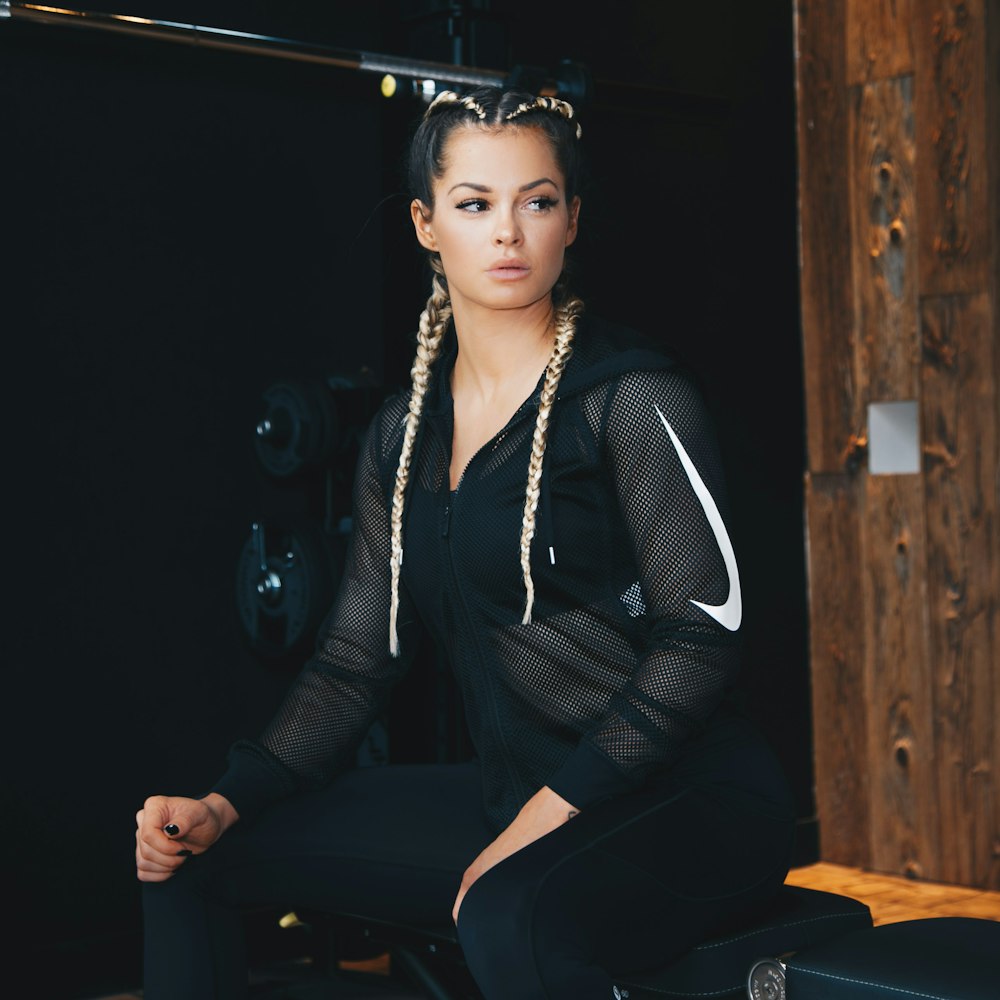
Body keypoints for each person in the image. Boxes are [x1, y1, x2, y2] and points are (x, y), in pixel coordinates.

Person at [136, 86, 796, 999]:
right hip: (514, 793)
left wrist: (545, 818)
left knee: (507, 911)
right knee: (191, 858)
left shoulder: (631, 399)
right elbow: (353, 662)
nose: (509, 234)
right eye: (476, 204)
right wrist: (223, 798)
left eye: (538, 200)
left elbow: (702, 637)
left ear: (572, 220)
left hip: (688, 803)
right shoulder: (403, 438)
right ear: (426, 223)